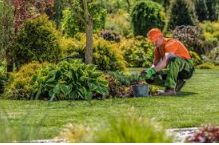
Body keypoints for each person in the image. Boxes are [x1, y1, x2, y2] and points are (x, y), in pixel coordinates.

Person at [140, 28, 194, 96]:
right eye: (152, 42)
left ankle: (170, 90)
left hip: (187, 69)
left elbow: (164, 62)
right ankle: (177, 83)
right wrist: (148, 72)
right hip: (174, 70)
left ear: (161, 37)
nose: (154, 43)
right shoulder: (157, 49)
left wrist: (151, 71)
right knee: (150, 78)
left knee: (173, 58)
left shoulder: (171, 43)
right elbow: (155, 65)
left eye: (155, 41)